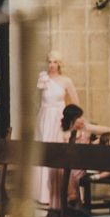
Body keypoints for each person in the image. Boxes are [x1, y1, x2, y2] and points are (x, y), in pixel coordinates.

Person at [48, 104, 110, 211]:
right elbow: (57, 151)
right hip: (68, 164)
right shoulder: (61, 132)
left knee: (67, 168)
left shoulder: (86, 129)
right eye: (79, 117)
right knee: (61, 167)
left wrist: (98, 140)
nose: (82, 119)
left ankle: (71, 197)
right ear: (72, 119)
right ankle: (69, 199)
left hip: (82, 164)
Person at [33, 50, 79, 204]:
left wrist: (73, 123)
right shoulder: (43, 78)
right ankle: (43, 194)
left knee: (58, 152)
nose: (52, 65)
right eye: (50, 62)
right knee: (44, 151)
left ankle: (60, 193)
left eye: (55, 62)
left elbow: (75, 103)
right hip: (45, 119)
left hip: (59, 119)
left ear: (60, 64)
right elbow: (37, 100)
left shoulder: (66, 81)